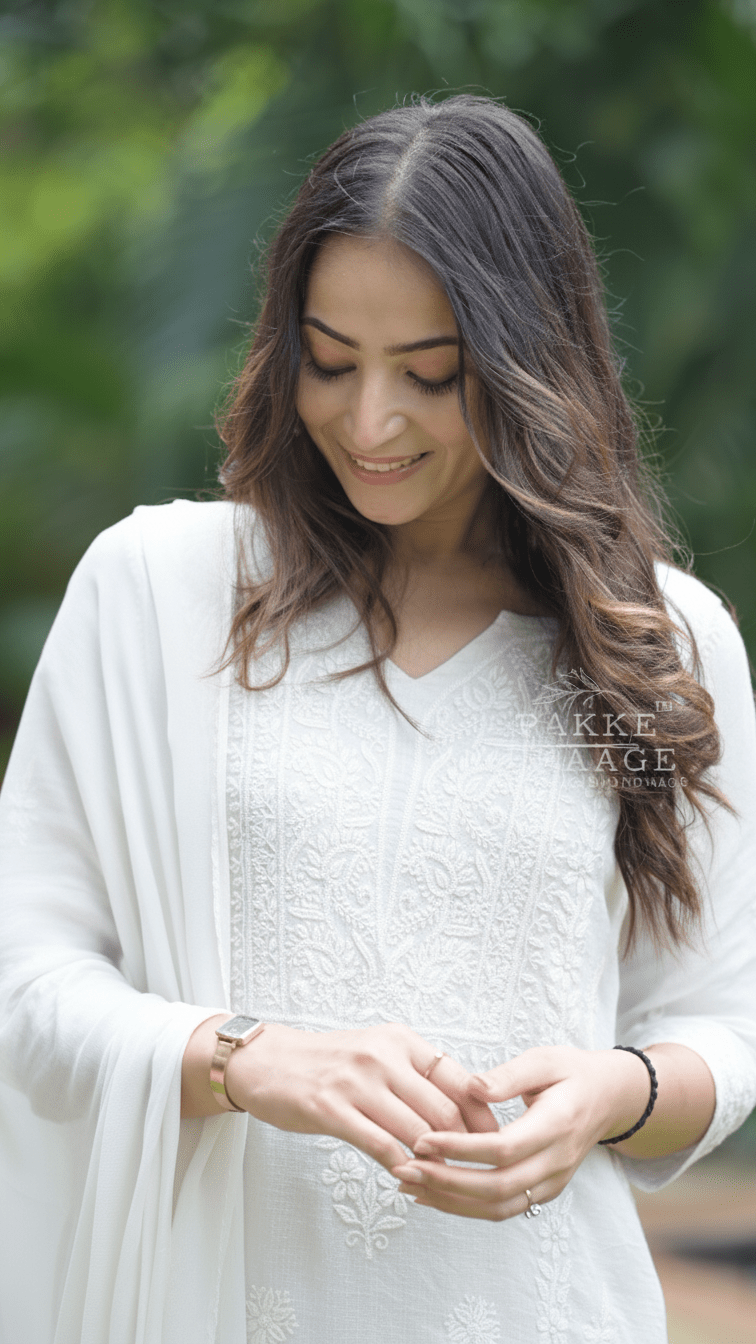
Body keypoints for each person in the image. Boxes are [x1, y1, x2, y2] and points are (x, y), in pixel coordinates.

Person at [0, 93, 754, 1344]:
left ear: (531, 363)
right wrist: (247, 1057)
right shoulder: (161, 597)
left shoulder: (652, 648)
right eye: (332, 360)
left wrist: (611, 1097)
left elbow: (722, 1026)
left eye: (432, 376)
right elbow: (23, 985)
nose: (369, 423)